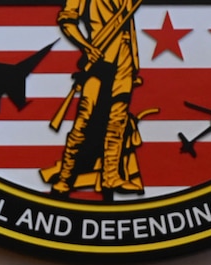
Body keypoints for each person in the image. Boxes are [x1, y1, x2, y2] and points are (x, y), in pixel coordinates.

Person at [44, 0, 144, 196]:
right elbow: (67, 20)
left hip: (125, 60)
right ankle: (65, 179)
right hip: (99, 59)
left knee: (117, 121)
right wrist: (86, 47)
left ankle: (111, 177)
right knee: (84, 120)